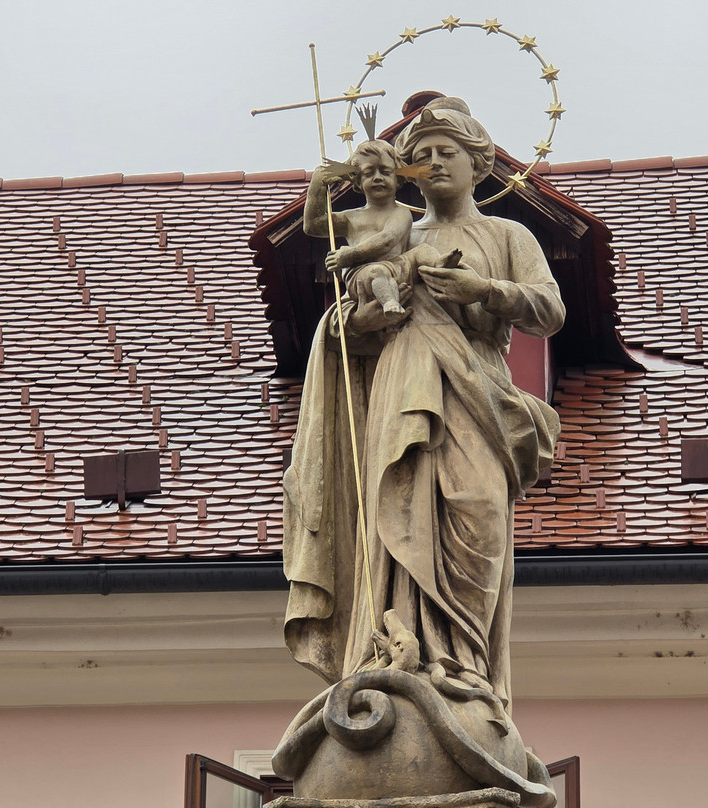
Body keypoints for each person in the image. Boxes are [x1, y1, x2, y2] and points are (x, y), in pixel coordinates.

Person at [283, 96, 565, 710]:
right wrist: (356, 321)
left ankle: (468, 668)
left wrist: (482, 289)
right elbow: (347, 325)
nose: (434, 162)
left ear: (478, 163)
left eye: (447, 152)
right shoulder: (394, 231)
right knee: (396, 510)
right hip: (401, 383)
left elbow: (549, 311)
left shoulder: (507, 234)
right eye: (422, 155)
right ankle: (397, 651)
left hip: (478, 394)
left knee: (478, 516)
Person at [304, 139, 414, 324]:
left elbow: (388, 239)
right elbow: (313, 225)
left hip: (395, 271)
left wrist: (351, 254)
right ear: (358, 181)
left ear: (398, 178)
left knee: (424, 253)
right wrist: (317, 185)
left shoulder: (401, 213)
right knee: (377, 272)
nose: (377, 177)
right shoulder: (351, 218)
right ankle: (389, 303)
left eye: (385, 171)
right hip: (362, 275)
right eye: (368, 173)